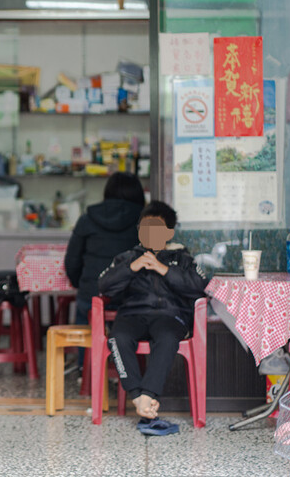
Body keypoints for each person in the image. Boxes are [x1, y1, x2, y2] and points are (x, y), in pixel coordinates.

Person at [98, 201, 208, 420]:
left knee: (167, 337)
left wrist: (163, 269)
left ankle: (146, 394)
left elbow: (200, 287)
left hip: (170, 315)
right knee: (118, 337)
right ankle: (139, 396)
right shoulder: (127, 257)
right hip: (132, 314)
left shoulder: (184, 259)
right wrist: (132, 267)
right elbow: (103, 285)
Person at [64, 172, 146, 341]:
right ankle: (134, 362)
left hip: (93, 296)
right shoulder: (146, 222)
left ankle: (85, 365)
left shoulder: (87, 220)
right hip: (133, 299)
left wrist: (85, 286)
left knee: (85, 314)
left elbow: (72, 262)